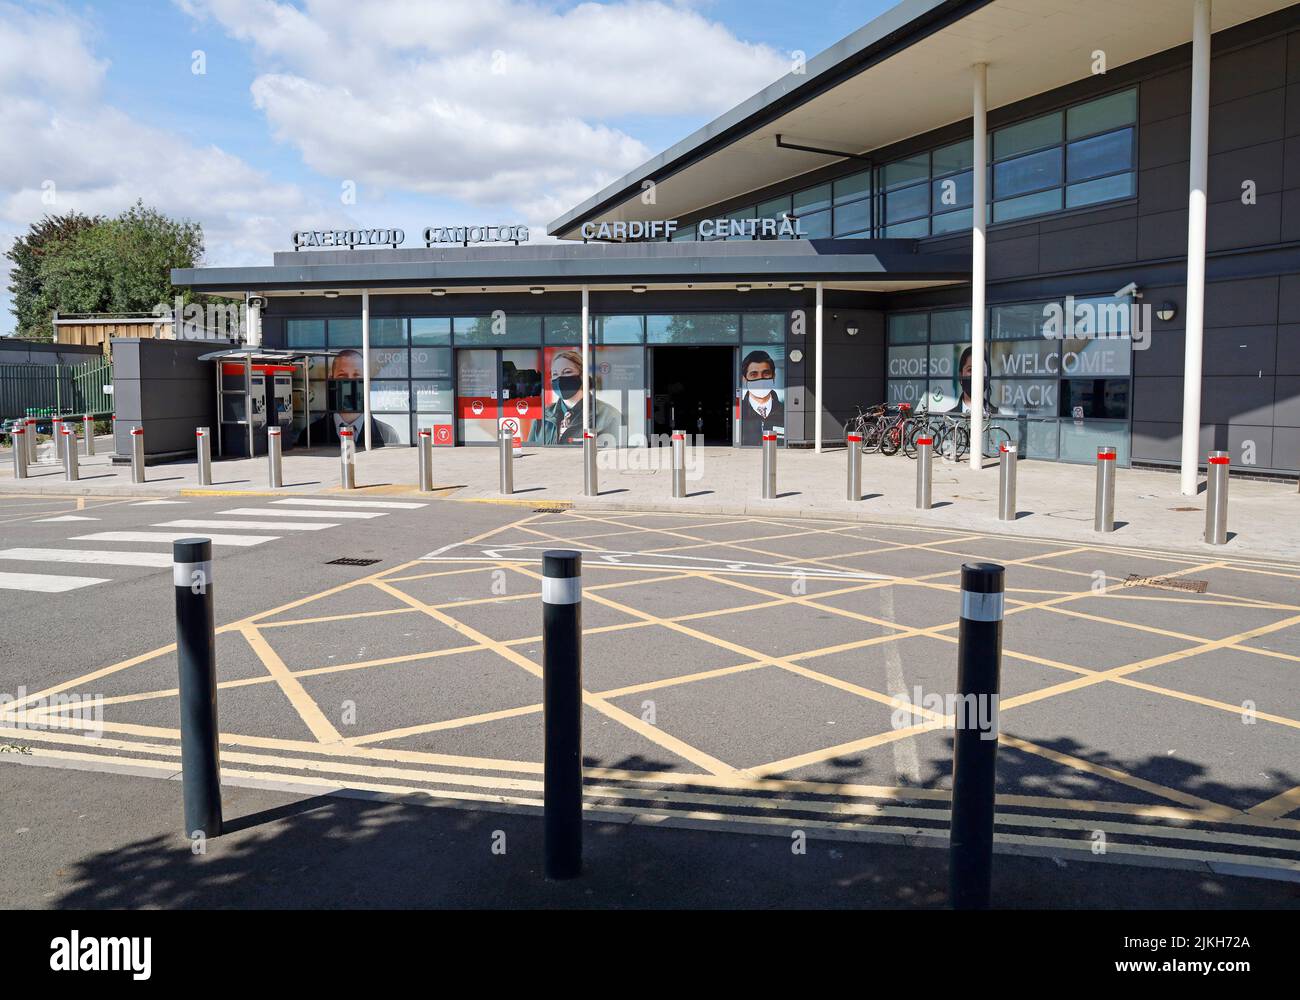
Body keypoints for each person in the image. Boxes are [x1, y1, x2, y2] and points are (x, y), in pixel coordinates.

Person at [298, 349, 392, 447]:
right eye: (342, 376)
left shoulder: (387, 435)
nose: (350, 384)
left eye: (357, 376)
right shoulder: (309, 436)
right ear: (331, 380)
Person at [528, 350, 620, 445]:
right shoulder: (541, 417)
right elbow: (530, 454)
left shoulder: (609, 416)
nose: (560, 378)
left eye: (567, 372)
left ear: (582, 376)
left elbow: (615, 456)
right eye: (555, 374)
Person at [738, 349, 784, 446]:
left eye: (766, 373)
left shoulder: (784, 412)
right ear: (744, 379)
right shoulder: (740, 411)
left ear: (773, 376)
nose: (760, 379)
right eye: (754, 374)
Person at [944, 346, 1000, 415]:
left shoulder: (998, 417)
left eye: (981, 370)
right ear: (961, 375)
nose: (975, 376)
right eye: (970, 370)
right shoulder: (949, 419)